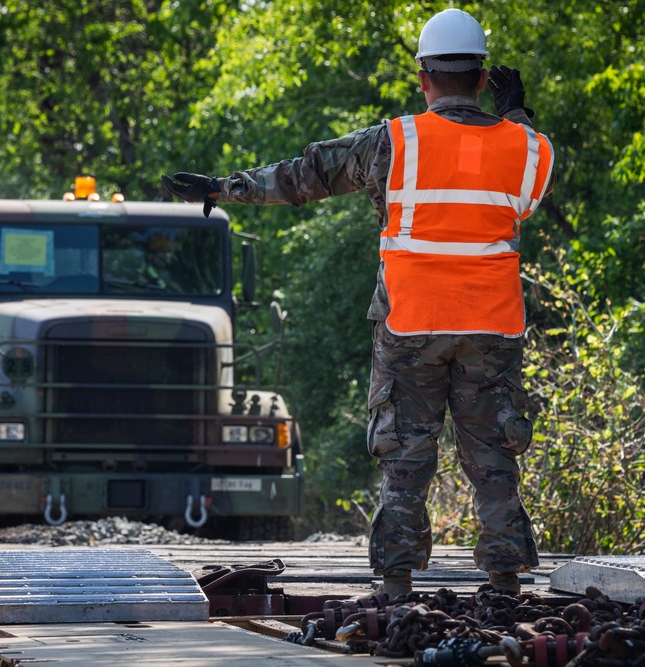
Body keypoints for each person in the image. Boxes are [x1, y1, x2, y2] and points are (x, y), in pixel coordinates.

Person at [162, 8, 554, 598]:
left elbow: (304, 175)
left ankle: (395, 586)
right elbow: (528, 182)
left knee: (404, 457)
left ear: (422, 77)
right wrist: (517, 112)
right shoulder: (525, 146)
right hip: (490, 327)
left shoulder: (393, 142)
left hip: (411, 321)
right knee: (493, 451)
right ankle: (503, 579)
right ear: (481, 78)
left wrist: (223, 188)